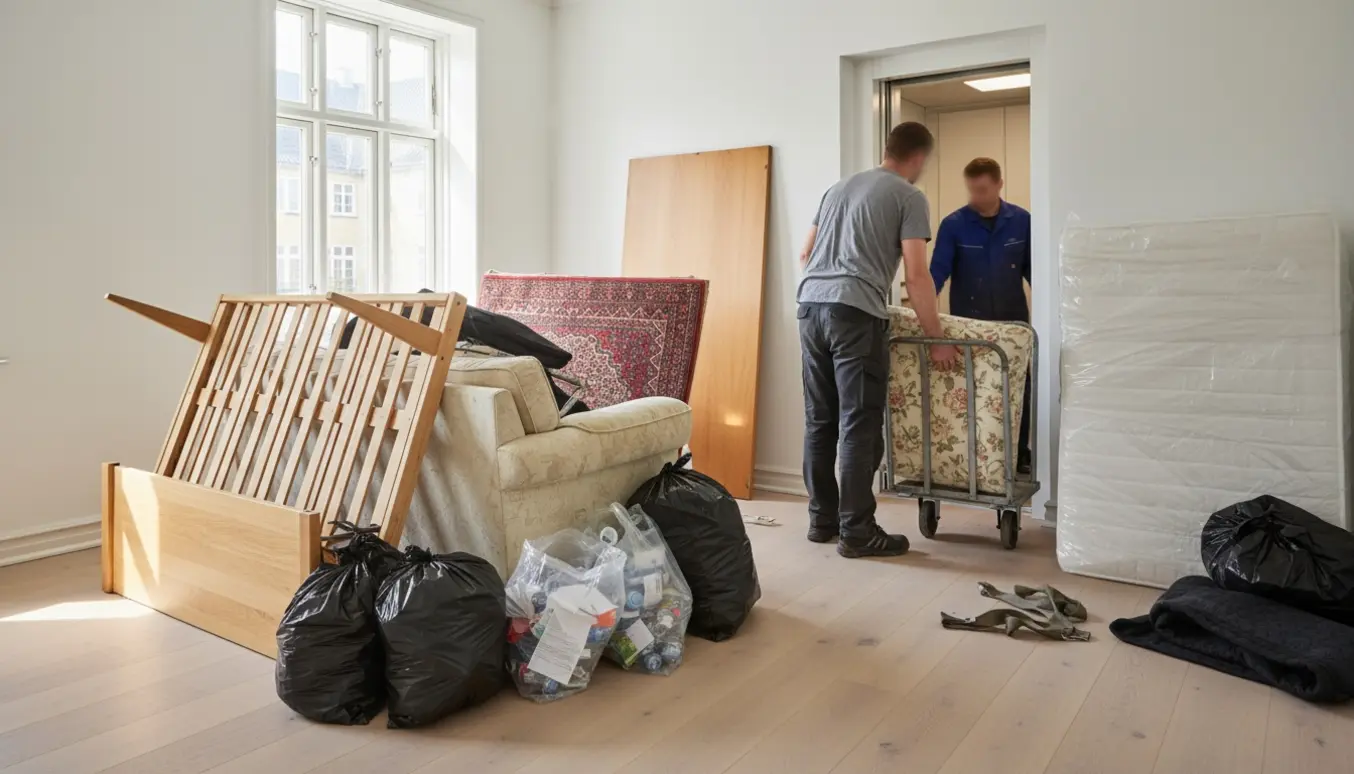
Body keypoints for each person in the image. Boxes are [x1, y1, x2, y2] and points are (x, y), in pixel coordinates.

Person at [796, 122, 957, 559]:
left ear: (888, 149)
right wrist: (937, 338)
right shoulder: (908, 196)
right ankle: (857, 531)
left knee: (820, 420)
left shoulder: (837, 188)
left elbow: (806, 252)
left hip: (809, 308)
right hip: (854, 314)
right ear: (918, 158)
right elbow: (917, 275)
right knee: (858, 423)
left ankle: (822, 520)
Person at [930, 157, 1033, 473]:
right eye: (972, 190)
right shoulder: (954, 225)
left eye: (983, 190)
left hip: (1012, 323)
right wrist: (925, 319)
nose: (977, 197)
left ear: (999, 184)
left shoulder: (1022, 221)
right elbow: (936, 275)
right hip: (970, 324)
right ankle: (973, 456)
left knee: (1017, 388)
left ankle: (1017, 454)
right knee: (972, 391)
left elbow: (1036, 273)